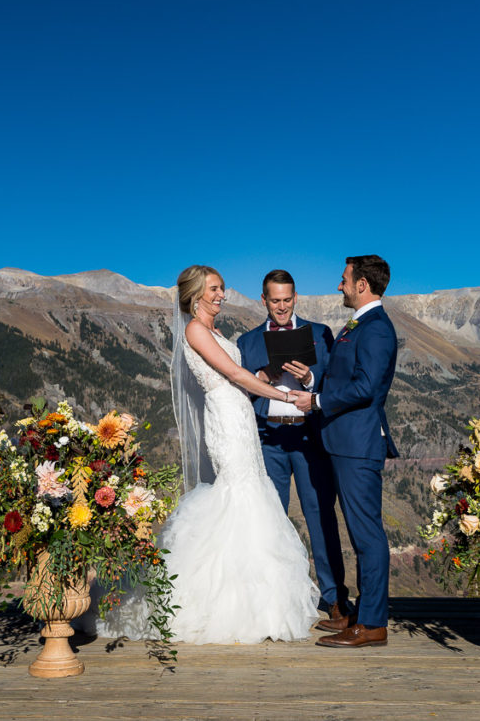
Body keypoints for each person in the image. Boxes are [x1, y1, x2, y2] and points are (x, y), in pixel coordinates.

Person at [100, 265, 318, 643]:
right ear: (197, 293)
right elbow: (234, 376)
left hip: (240, 416)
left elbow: (237, 376)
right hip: (227, 421)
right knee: (239, 494)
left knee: (248, 494)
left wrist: (266, 375)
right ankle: (226, 605)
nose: (222, 295)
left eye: (222, 289)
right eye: (215, 290)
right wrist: (286, 396)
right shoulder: (195, 330)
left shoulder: (214, 331)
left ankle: (256, 601)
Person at [295, 255, 398, 649]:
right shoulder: (360, 324)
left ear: (362, 285)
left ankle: (373, 624)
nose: (339, 286)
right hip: (342, 443)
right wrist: (313, 379)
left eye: (343, 280)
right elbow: (346, 376)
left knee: (367, 536)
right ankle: (362, 614)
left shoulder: (376, 329)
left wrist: (318, 401)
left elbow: (366, 387)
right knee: (359, 534)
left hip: (357, 446)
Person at [237, 270, 349, 626]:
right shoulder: (248, 341)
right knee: (270, 520)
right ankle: (272, 600)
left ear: (296, 297)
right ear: (264, 300)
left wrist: (309, 378)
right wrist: (264, 377)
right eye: (275, 301)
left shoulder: (320, 334)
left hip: (308, 438)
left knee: (321, 517)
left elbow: (334, 382)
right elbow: (238, 393)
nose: (282, 307)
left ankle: (335, 598)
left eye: (287, 300)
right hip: (268, 437)